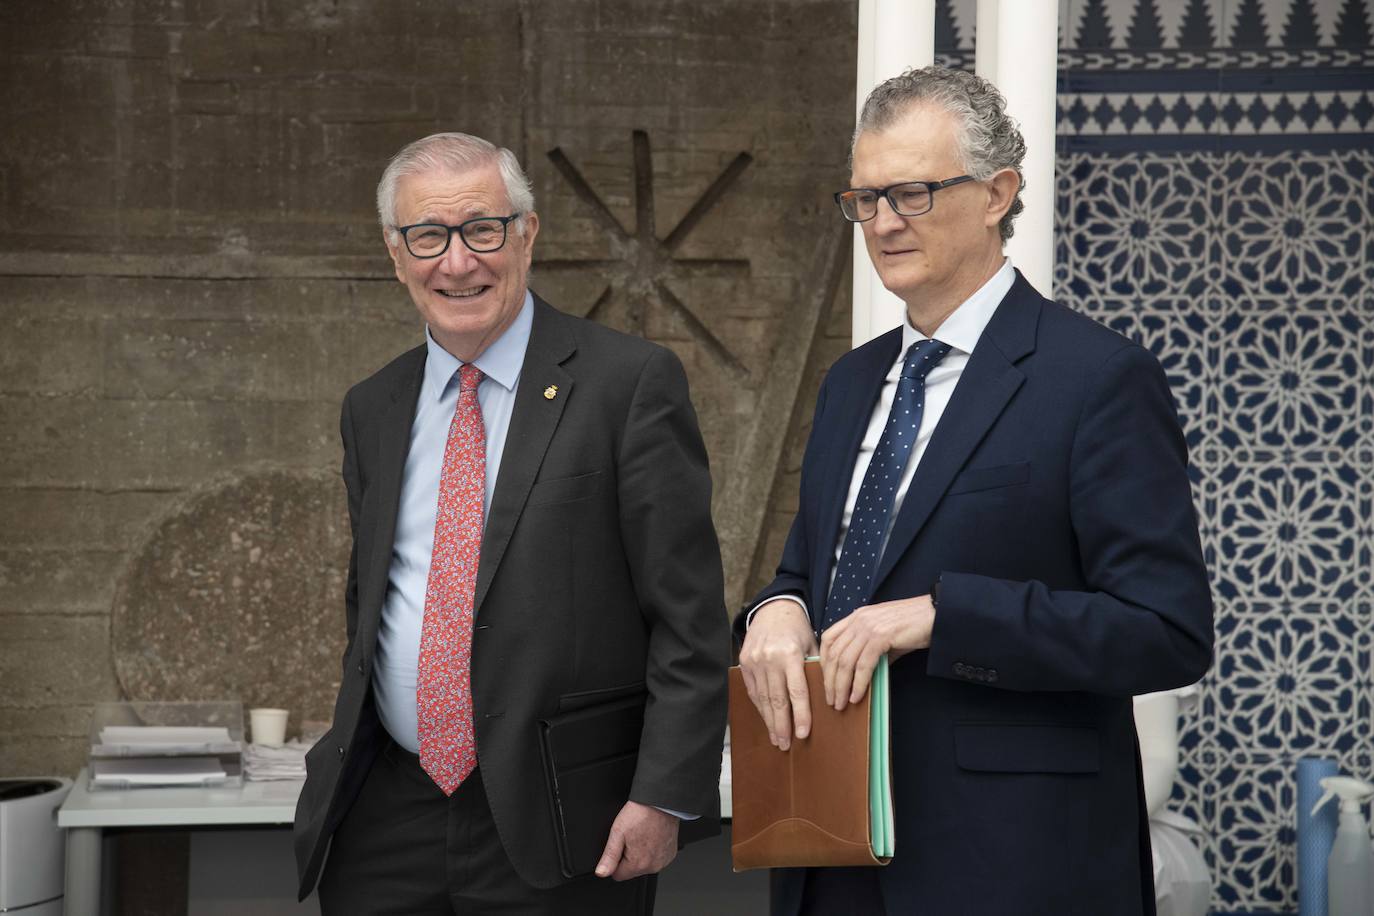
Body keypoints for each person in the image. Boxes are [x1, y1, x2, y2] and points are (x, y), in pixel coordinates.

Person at [737, 66, 1213, 915]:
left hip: (1012, 864)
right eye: (865, 198)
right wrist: (775, 608)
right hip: (825, 843)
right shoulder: (850, 384)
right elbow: (814, 575)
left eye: (912, 193)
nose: (882, 223)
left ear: (997, 194)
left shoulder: (1098, 378)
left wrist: (945, 615)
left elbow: (1165, 631)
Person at [293, 131, 729, 915]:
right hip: (388, 813)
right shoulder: (372, 408)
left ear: (526, 234)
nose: (457, 262)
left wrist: (664, 794)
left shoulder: (627, 385)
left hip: (565, 821)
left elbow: (689, 620)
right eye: (428, 236)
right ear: (397, 255)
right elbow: (376, 602)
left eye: (481, 230)